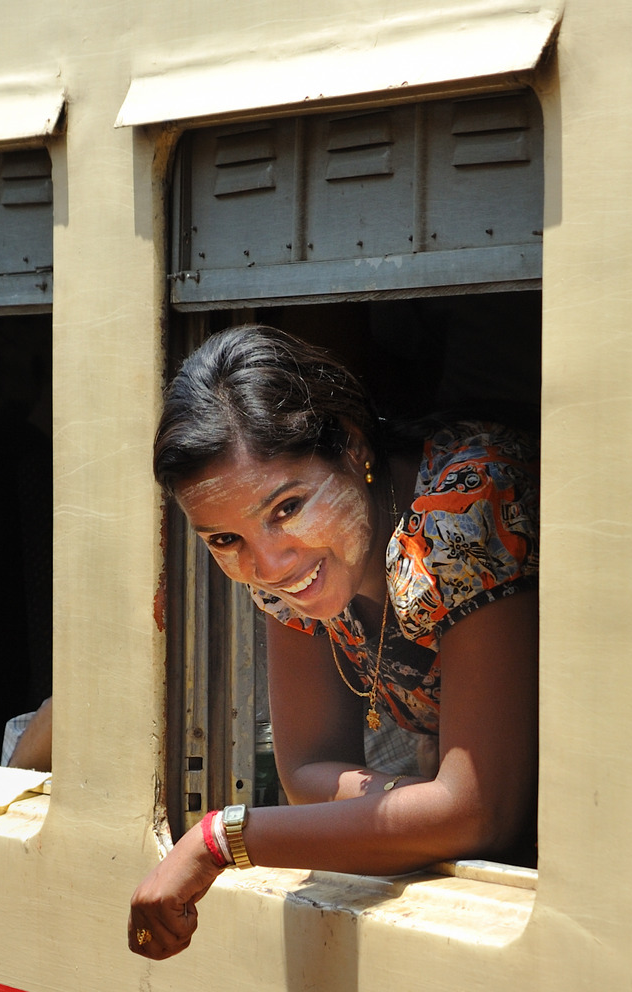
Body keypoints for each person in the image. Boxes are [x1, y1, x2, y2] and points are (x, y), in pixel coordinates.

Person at [128, 325, 539, 960]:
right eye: (225, 540)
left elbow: (484, 812)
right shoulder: (286, 574)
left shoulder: (463, 510)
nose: (268, 565)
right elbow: (306, 772)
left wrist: (223, 838)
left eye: (287, 508)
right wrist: (430, 809)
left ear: (350, 447)